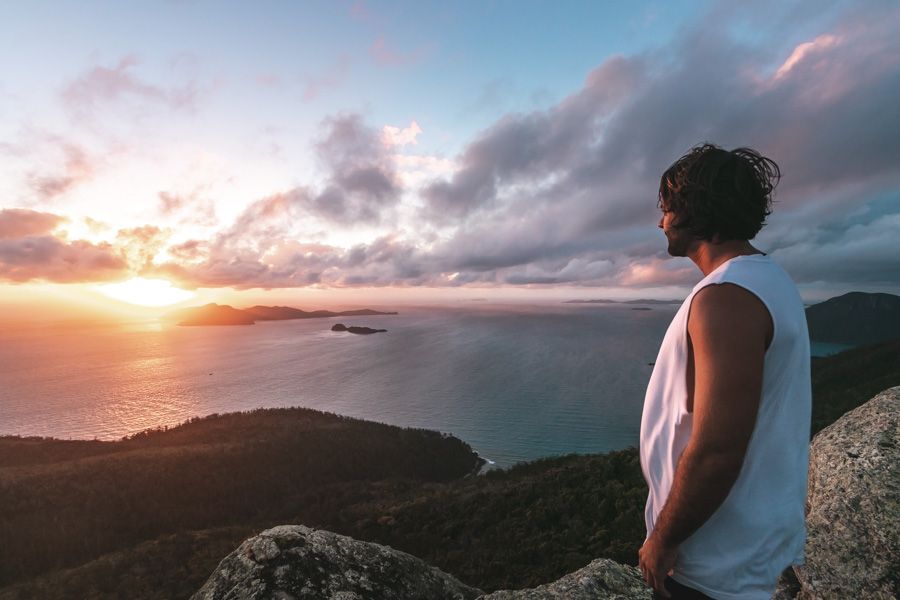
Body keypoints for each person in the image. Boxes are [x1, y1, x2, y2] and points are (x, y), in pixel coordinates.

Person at [638, 144, 811, 599]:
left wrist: (664, 538)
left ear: (695, 211)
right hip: (736, 552)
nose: (661, 222)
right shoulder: (766, 280)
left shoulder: (726, 297)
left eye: (668, 209)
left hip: (714, 567)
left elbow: (718, 448)